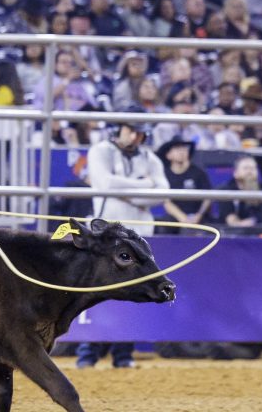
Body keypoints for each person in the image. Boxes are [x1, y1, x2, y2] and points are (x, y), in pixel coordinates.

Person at [77, 107, 168, 369]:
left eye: (140, 133)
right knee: (97, 294)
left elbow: (162, 192)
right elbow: (103, 184)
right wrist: (144, 186)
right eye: (131, 130)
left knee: (133, 294)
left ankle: (122, 355)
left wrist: (125, 190)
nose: (136, 138)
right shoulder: (100, 151)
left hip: (139, 238)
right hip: (107, 237)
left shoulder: (150, 157)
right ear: (119, 129)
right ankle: (88, 355)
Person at [158, 137, 212, 229]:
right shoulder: (164, 175)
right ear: (168, 155)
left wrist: (199, 215)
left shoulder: (198, 172)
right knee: (165, 225)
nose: (182, 151)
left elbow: (208, 197)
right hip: (175, 218)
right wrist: (183, 218)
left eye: (184, 148)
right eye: (177, 149)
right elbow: (166, 202)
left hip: (199, 217)